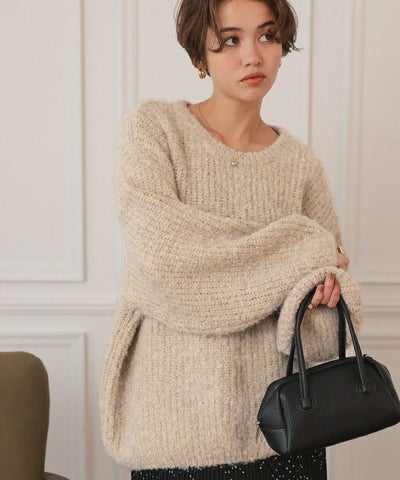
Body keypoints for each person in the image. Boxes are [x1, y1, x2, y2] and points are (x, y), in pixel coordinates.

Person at [100, 0, 362, 479]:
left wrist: (323, 289)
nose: (252, 56)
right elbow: (163, 262)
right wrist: (304, 251)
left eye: (267, 36)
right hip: (174, 437)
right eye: (230, 40)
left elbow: (328, 311)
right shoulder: (155, 131)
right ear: (200, 54)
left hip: (287, 440)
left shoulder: (301, 167)